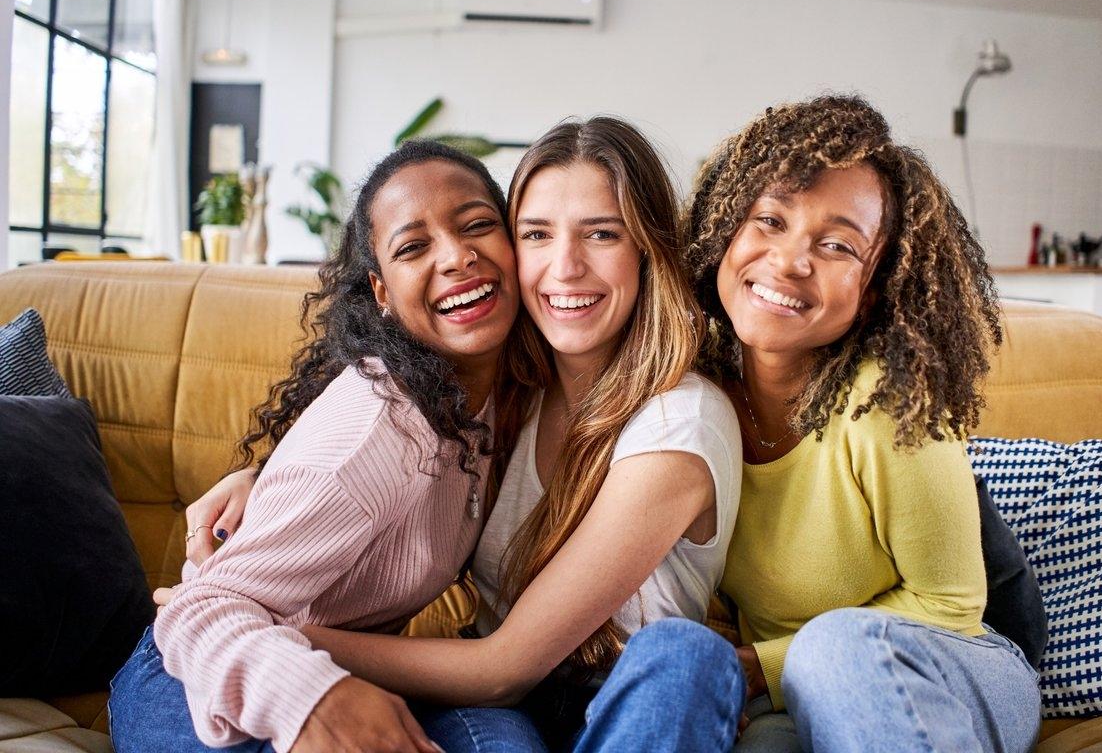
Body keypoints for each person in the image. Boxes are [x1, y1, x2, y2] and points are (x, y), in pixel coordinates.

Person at [168, 117, 745, 752]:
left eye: (602, 234)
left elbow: (502, 669)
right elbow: (357, 452)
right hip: (463, 699)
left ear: (648, 248)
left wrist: (273, 633)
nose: (566, 266)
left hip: (578, 698)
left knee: (686, 656)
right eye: (537, 234)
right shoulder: (507, 392)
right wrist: (271, 478)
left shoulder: (677, 422)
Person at [108, 140, 521, 753]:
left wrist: (263, 477)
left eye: (479, 225)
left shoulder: (507, 389)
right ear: (383, 294)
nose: (458, 256)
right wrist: (312, 697)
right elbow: (198, 611)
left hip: (354, 666)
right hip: (198, 669)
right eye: (413, 247)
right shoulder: (381, 432)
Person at [684, 94, 1042, 752]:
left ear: (872, 289)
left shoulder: (885, 401)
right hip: (792, 697)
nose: (791, 260)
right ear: (725, 229)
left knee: (835, 646)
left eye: (837, 244)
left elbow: (951, 606)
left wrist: (764, 664)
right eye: (769, 220)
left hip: (953, 670)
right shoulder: (689, 399)